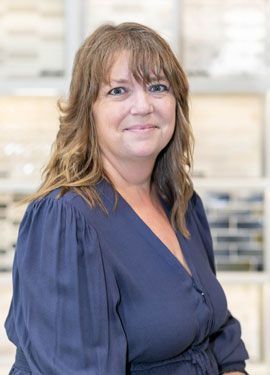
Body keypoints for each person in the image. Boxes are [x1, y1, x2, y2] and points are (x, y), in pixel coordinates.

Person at [5, 22, 249, 374]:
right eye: (118, 91)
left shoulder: (179, 200)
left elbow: (218, 331)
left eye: (157, 87)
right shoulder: (64, 219)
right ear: (87, 110)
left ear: (176, 104)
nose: (143, 105)